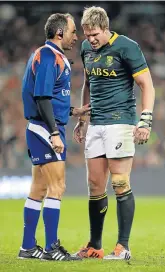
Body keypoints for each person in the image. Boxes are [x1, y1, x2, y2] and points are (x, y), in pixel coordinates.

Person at [73, 6, 155, 260]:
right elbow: (88, 83)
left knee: (119, 183)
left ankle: (123, 247)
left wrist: (145, 121)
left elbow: (147, 85)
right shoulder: (87, 49)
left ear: (106, 28)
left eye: (95, 34)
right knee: (95, 185)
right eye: (87, 35)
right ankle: (95, 246)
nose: (91, 40)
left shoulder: (127, 47)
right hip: (96, 123)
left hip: (120, 122)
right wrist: (83, 119)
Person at [18, 13, 90, 261]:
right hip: (44, 130)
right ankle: (51, 248)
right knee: (57, 187)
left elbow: (51, 97)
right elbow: (42, 98)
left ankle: (27, 247)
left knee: (39, 188)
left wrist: (73, 111)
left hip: (41, 127)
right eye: (72, 31)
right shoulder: (49, 56)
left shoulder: (52, 56)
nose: (75, 36)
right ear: (60, 33)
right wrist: (54, 132)